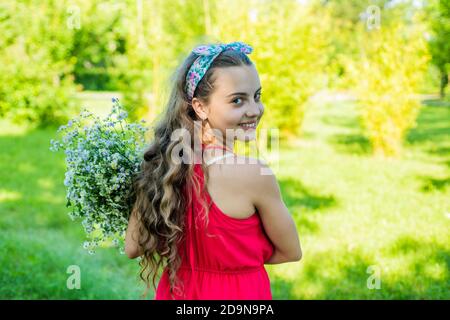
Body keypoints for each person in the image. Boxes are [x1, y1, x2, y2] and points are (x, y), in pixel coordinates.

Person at [124, 41, 302, 300]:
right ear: (200, 106)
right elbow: (291, 251)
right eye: (237, 100)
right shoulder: (252, 174)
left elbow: (133, 247)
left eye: (257, 96)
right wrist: (239, 262)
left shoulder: (162, 168)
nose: (254, 110)